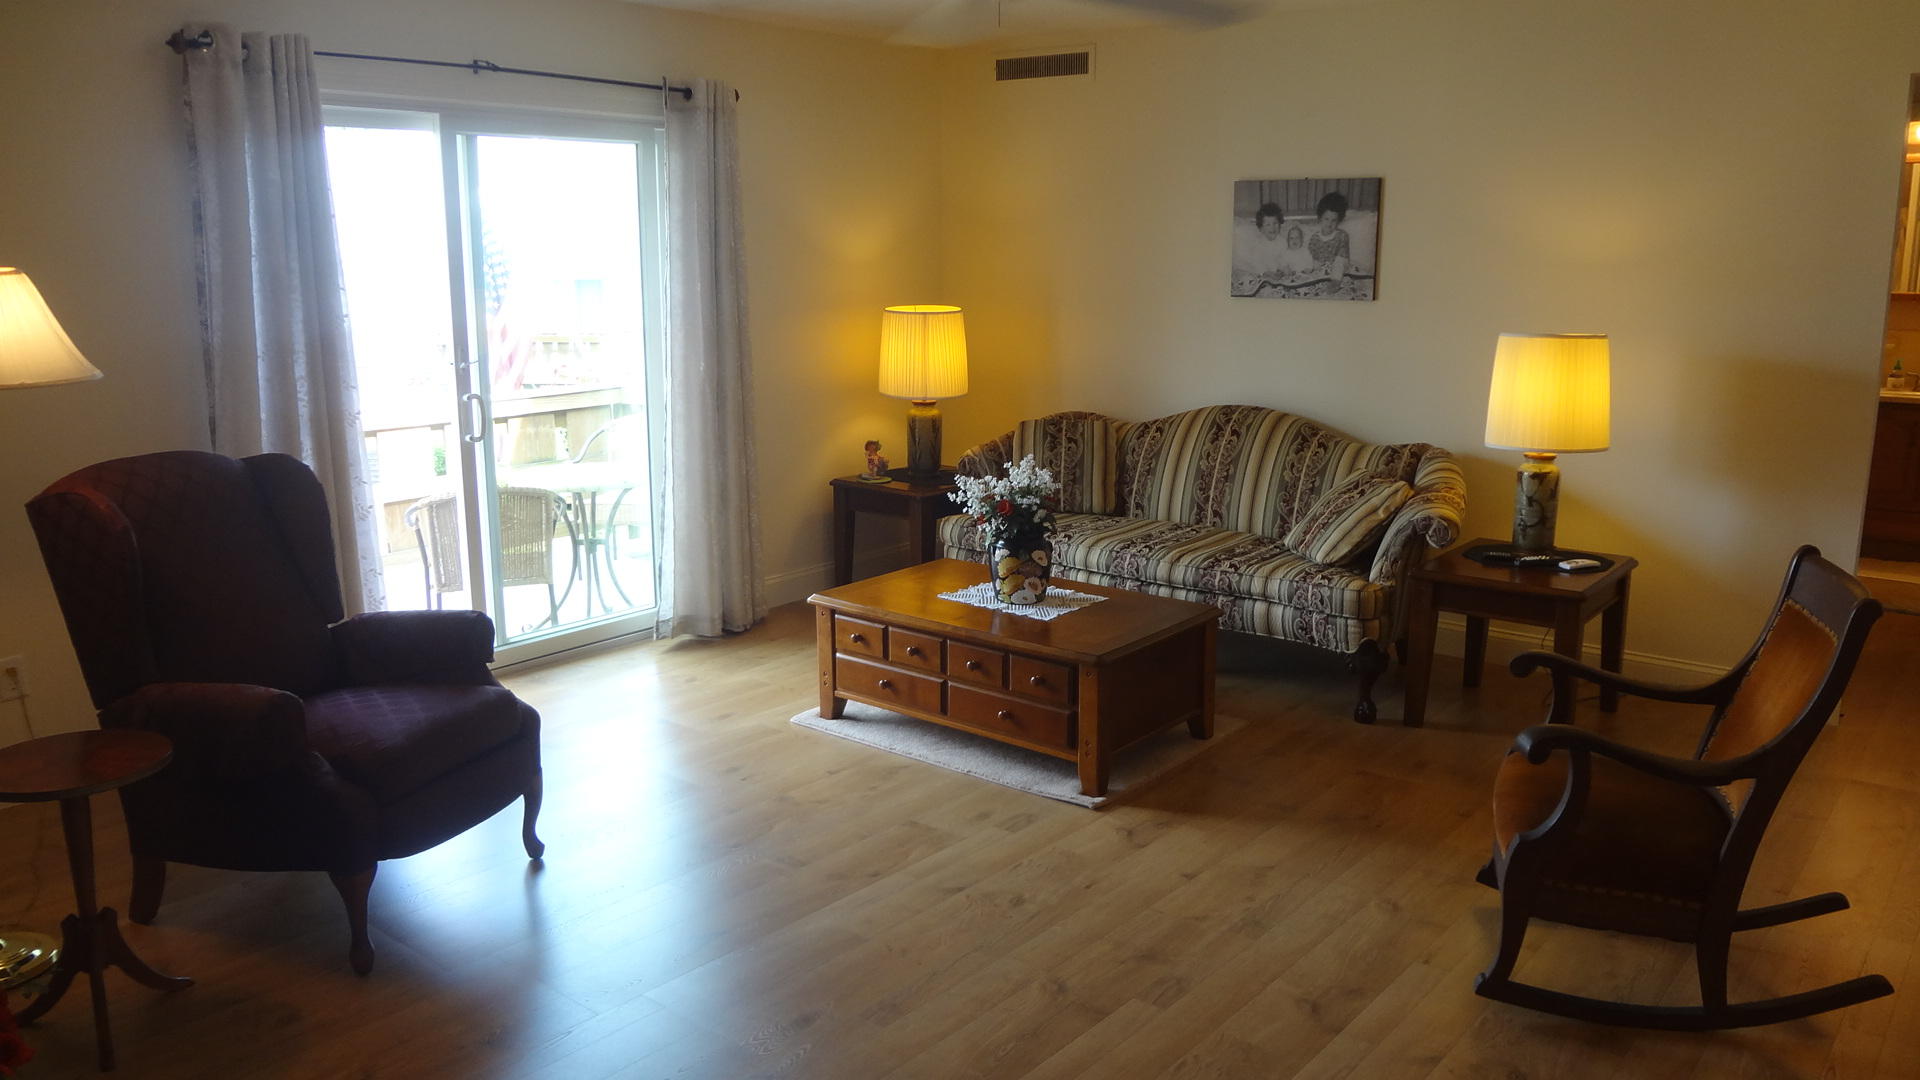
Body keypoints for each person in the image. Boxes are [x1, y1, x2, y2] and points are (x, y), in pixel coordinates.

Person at [1232, 202, 1289, 292]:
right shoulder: (1259, 243)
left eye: (1275, 223)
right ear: (1261, 228)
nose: (1272, 228)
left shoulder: (1282, 241)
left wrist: (1282, 269)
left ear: (1280, 224)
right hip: (1262, 272)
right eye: (1268, 225)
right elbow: (1256, 261)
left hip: (1277, 273)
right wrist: (1265, 272)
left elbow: (1284, 258)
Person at [1308, 191, 1352, 292]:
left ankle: (1335, 283)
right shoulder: (1315, 237)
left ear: (1339, 220)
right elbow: (1310, 255)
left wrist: (1336, 277)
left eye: (1334, 220)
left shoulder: (1342, 236)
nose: (1329, 224)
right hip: (1319, 270)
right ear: (1320, 218)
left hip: (1338, 270)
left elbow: (1342, 257)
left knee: (1340, 261)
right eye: (1326, 219)